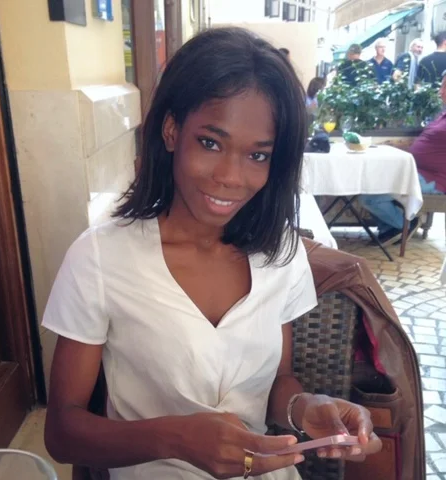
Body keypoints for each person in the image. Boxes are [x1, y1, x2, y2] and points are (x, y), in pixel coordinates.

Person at [43, 27, 381, 480]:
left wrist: (306, 408)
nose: (230, 177)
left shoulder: (279, 252)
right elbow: (62, 432)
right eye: (211, 143)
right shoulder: (100, 258)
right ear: (171, 131)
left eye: (257, 156)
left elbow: (277, 382)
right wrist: (176, 438)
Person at [359, 73, 446, 246]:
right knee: (368, 181)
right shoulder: (442, 115)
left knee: (370, 194)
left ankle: (404, 225)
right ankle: (391, 230)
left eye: (445, 87)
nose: (440, 91)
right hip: (414, 170)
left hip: (434, 179)